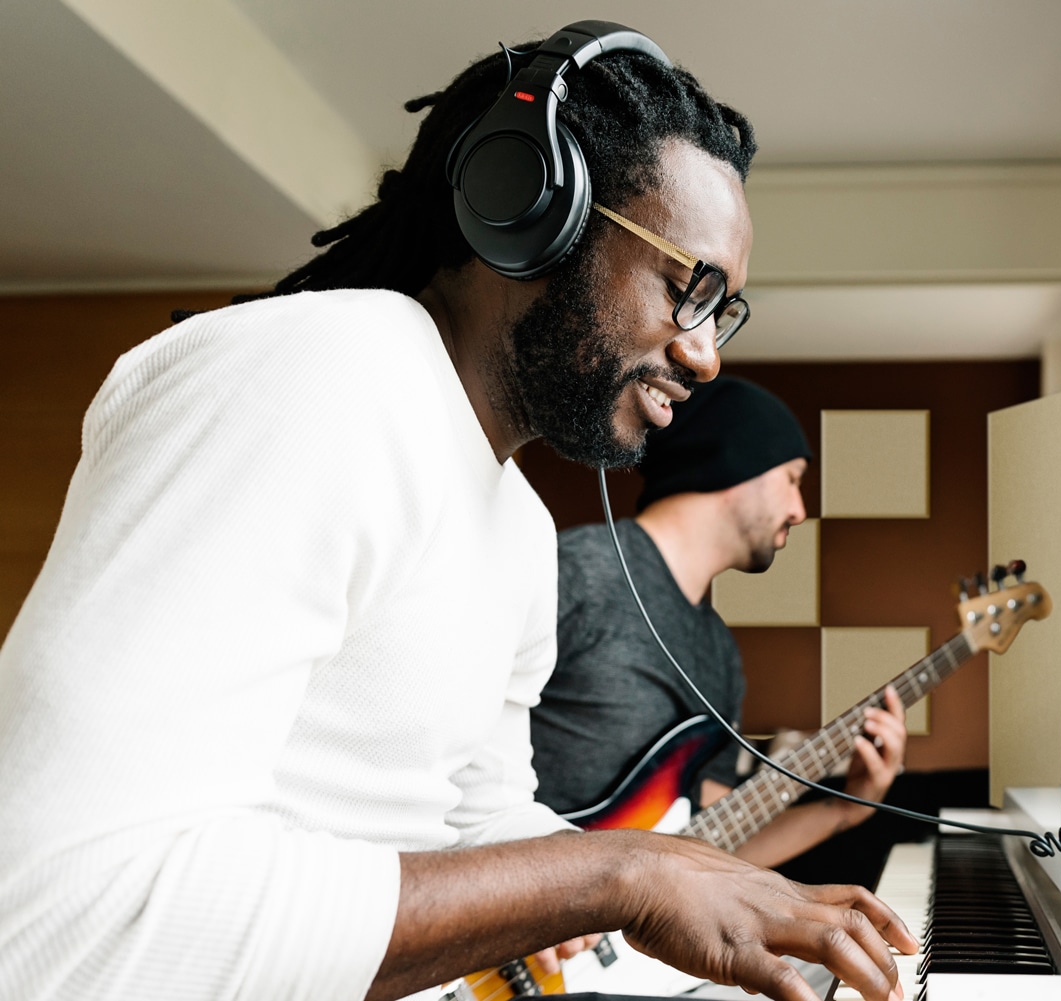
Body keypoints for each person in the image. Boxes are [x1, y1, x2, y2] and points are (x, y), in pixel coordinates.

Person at [0, 27, 915, 1001]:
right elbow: (56, 913)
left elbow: (477, 823)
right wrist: (627, 872)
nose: (706, 356)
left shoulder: (516, 525)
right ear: (530, 212)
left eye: (722, 312)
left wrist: (706, 873)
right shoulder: (317, 374)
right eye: (687, 289)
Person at [532, 377, 908, 868]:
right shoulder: (576, 571)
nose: (799, 510)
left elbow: (708, 848)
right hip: (510, 925)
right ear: (737, 461)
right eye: (792, 479)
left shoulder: (719, 654)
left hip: (619, 942)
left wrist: (843, 809)